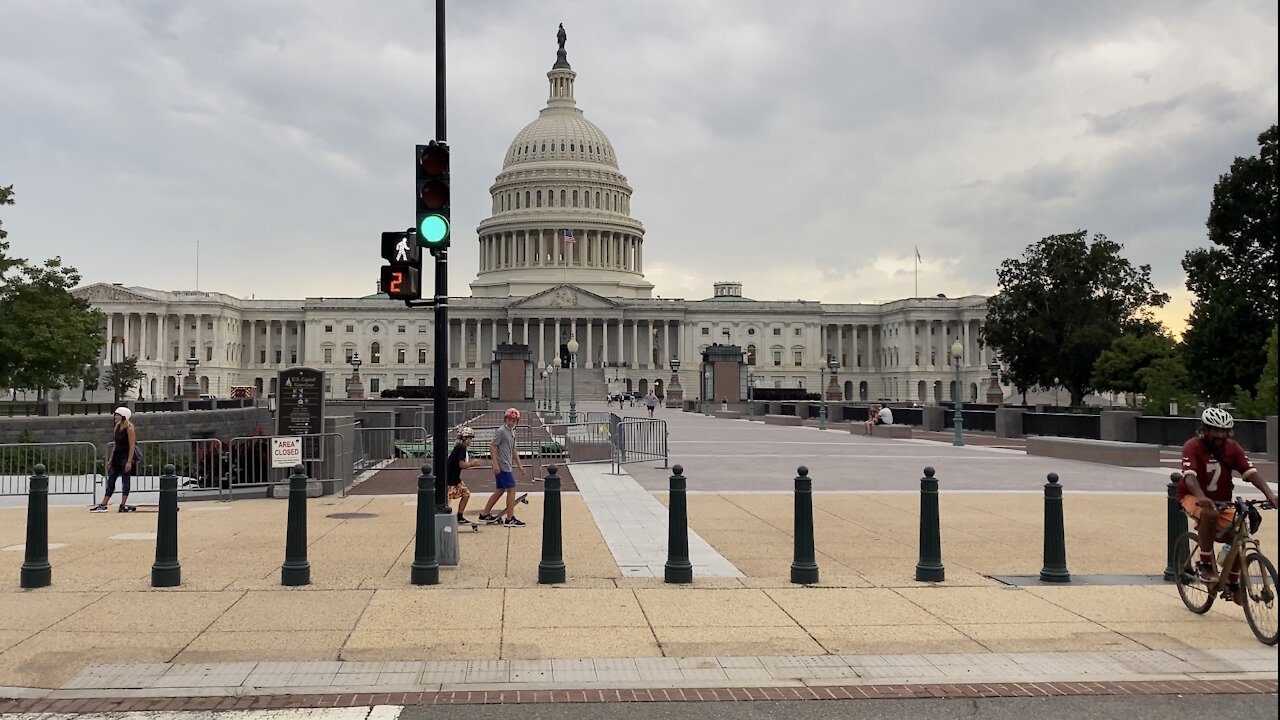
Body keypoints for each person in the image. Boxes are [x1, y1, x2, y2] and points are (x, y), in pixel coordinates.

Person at [1178, 407, 1278, 596]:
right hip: (1192, 496)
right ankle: (1205, 563)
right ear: (1204, 430)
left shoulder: (1232, 448)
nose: (1219, 435)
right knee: (1210, 513)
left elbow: (1250, 473)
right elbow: (1189, 478)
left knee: (1239, 533)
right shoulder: (1192, 446)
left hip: (1222, 500)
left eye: (1224, 431)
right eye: (1215, 430)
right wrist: (1202, 497)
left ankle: (1232, 582)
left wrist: (1270, 495)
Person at [479, 408, 528, 527]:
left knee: (500, 490)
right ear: (505, 419)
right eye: (509, 420)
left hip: (507, 464)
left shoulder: (512, 432)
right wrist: (495, 463)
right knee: (511, 489)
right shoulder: (501, 431)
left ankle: (485, 514)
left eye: (514, 420)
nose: (511, 422)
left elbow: (513, 449)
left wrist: (520, 466)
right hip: (502, 465)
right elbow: (492, 446)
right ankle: (510, 518)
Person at [91, 407, 137, 512]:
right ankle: (103, 504)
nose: (115, 417)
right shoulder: (117, 427)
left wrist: (129, 461)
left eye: (118, 415)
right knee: (111, 479)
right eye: (115, 414)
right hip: (117, 456)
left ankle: (122, 504)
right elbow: (116, 444)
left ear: (124, 416)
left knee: (125, 481)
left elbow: (132, 445)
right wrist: (111, 459)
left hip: (125, 457)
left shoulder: (129, 428)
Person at [448, 426, 484, 526]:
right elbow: (461, 464)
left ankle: (459, 516)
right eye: (470, 438)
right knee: (446, 502)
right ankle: (440, 519)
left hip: (455, 479)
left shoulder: (459, 448)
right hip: (449, 480)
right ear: (464, 438)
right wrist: (472, 464)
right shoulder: (461, 449)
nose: (471, 441)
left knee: (466, 494)